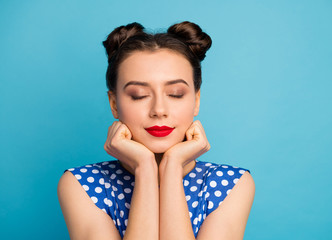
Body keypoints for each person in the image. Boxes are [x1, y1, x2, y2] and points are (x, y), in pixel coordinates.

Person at [57, 21, 255, 240]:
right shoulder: (82, 185)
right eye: (139, 95)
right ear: (114, 104)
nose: (159, 110)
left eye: (176, 94)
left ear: (196, 100)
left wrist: (172, 167)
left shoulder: (231, 185)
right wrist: (145, 168)